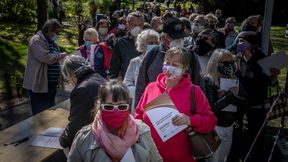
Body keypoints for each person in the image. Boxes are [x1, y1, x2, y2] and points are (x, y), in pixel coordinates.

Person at [135, 47, 217, 162]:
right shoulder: (151, 87)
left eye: (175, 64)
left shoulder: (194, 91)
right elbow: (138, 117)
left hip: (182, 157)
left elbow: (211, 122)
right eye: (167, 63)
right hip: (150, 156)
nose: (170, 67)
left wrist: (189, 120)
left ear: (184, 69)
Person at [67, 80, 163, 162]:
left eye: (121, 106)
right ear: (100, 106)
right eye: (109, 107)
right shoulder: (84, 137)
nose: (115, 111)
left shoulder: (142, 131)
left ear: (128, 107)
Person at [134, 16, 202, 107]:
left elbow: (199, 85)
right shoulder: (151, 55)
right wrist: (138, 115)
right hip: (156, 111)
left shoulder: (191, 56)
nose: (179, 41)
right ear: (164, 37)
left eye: (181, 37)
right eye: (175, 38)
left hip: (184, 111)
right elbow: (140, 87)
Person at [235, 31, 280, 161]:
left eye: (243, 41)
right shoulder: (238, 56)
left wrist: (275, 75)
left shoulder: (263, 59)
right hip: (240, 100)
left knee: (256, 134)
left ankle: (256, 155)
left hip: (256, 103)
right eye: (239, 41)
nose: (239, 44)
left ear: (252, 45)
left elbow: (271, 83)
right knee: (238, 129)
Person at [203, 49, 248, 162]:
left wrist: (231, 97)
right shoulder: (209, 81)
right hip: (215, 128)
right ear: (215, 63)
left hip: (230, 126)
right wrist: (229, 96)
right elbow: (211, 108)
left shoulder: (234, 79)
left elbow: (245, 102)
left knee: (224, 158)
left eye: (232, 62)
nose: (229, 66)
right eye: (225, 63)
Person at [59, 55, 105, 149]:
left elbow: (76, 123)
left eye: (68, 79)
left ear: (72, 75)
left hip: (93, 140)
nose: (69, 82)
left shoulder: (81, 90)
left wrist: (63, 140)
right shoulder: (98, 77)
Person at [23, 19, 67, 115]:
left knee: (50, 111)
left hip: (51, 84)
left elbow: (55, 59)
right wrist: (61, 55)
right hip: (40, 84)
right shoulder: (36, 40)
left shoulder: (52, 42)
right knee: (41, 113)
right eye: (56, 32)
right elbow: (45, 57)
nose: (56, 35)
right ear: (49, 30)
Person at [123, 29, 160, 115]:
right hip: (139, 102)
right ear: (143, 44)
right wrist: (141, 92)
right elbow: (126, 83)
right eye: (151, 43)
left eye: (156, 43)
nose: (154, 45)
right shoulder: (134, 62)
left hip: (158, 102)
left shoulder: (162, 61)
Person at [109, 11, 144, 79]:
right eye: (135, 25)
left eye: (140, 25)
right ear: (127, 25)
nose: (138, 28)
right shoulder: (121, 43)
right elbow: (114, 68)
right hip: (128, 84)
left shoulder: (150, 42)